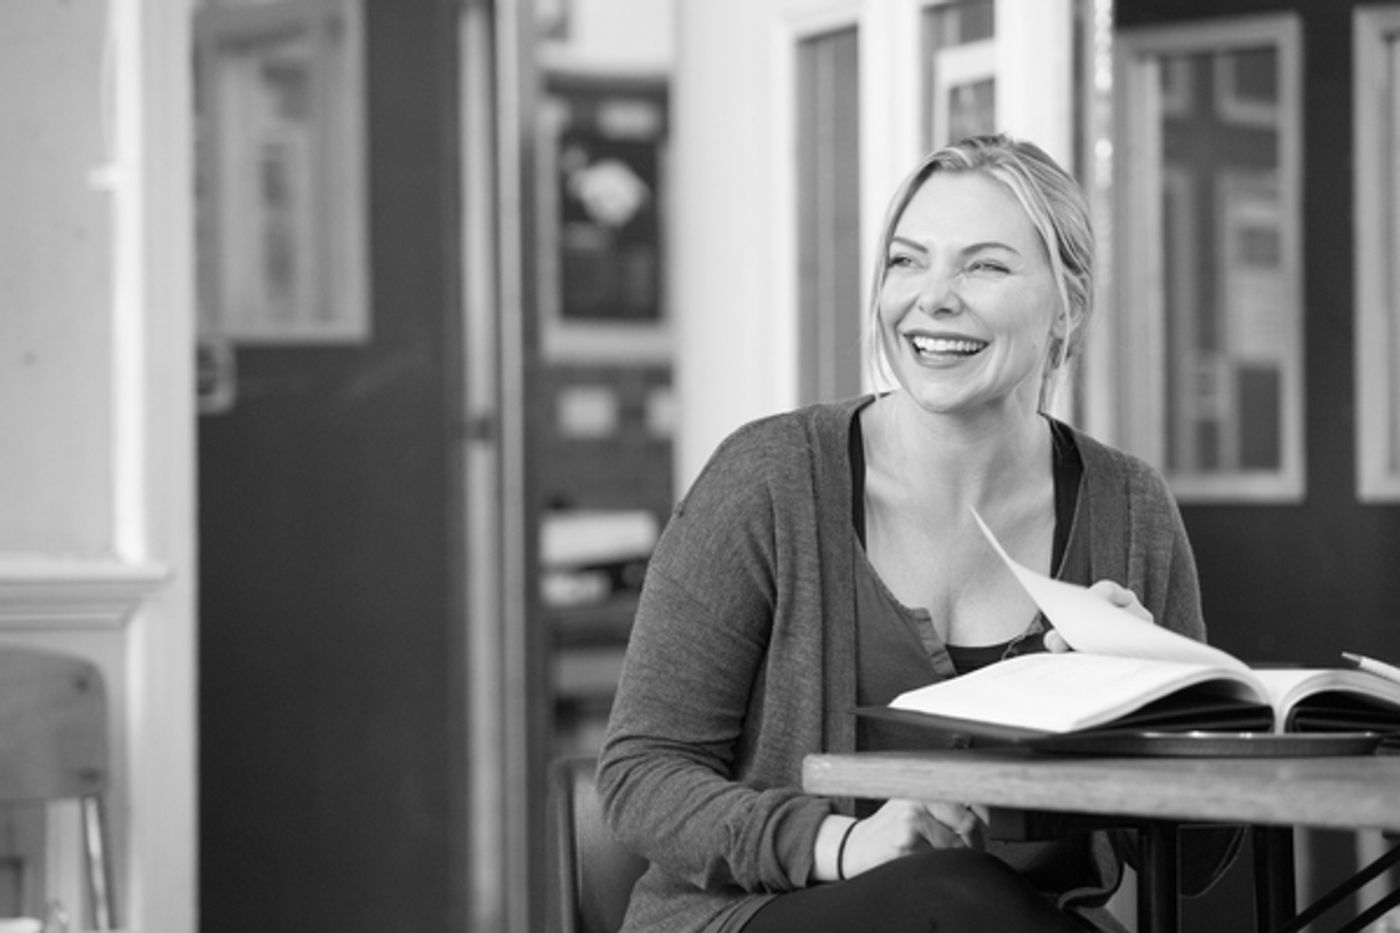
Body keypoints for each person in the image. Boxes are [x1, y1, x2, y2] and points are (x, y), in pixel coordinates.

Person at [596, 133, 1234, 933]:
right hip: (767, 914)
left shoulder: (1130, 506)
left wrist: (1146, 705)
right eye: (906, 261)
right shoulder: (769, 479)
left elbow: (1204, 861)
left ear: (1067, 302)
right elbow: (638, 774)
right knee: (944, 894)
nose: (932, 296)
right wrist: (843, 843)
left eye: (984, 265)